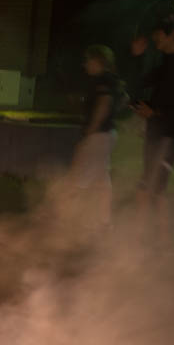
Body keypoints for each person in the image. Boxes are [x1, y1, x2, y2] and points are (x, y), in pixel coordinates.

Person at [129, 7, 174, 243]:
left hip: (169, 136)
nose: (153, 37)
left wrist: (155, 114)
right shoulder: (166, 63)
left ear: (171, 34)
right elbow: (139, 84)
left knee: (153, 189)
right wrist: (137, 57)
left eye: (158, 33)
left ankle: (161, 241)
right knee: (147, 188)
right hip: (155, 133)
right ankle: (148, 239)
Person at [66, 45, 124, 231]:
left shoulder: (102, 80)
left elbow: (104, 103)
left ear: (97, 61)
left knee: (79, 176)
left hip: (98, 135)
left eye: (87, 60)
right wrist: (112, 116)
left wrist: (91, 129)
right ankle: (105, 222)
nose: (85, 65)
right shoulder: (112, 79)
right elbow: (125, 99)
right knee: (101, 179)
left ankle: (70, 219)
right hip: (108, 134)